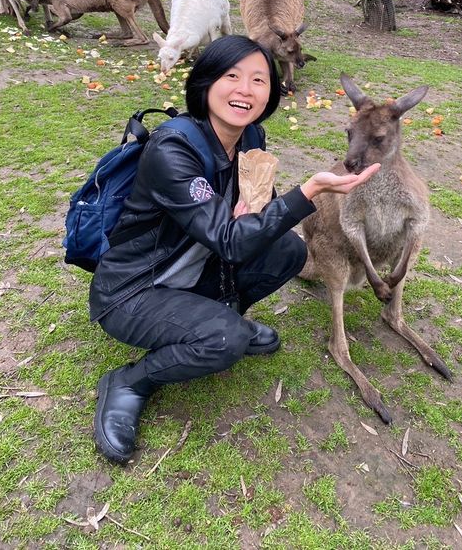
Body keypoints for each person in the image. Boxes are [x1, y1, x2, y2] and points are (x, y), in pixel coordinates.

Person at [89, 35, 380, 464]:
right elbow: (229, 238)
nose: (245, 89)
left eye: (259, 79)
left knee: (289, 251)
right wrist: (313, 189)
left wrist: (260, 212)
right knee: (225, 340)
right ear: (206, 83)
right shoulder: (173, 149)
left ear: (270, 94)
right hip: (136, 290)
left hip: (199, 270)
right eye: (232, 76)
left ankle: (222, 319)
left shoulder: (250, 136)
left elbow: (260, 216)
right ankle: (131, 381)